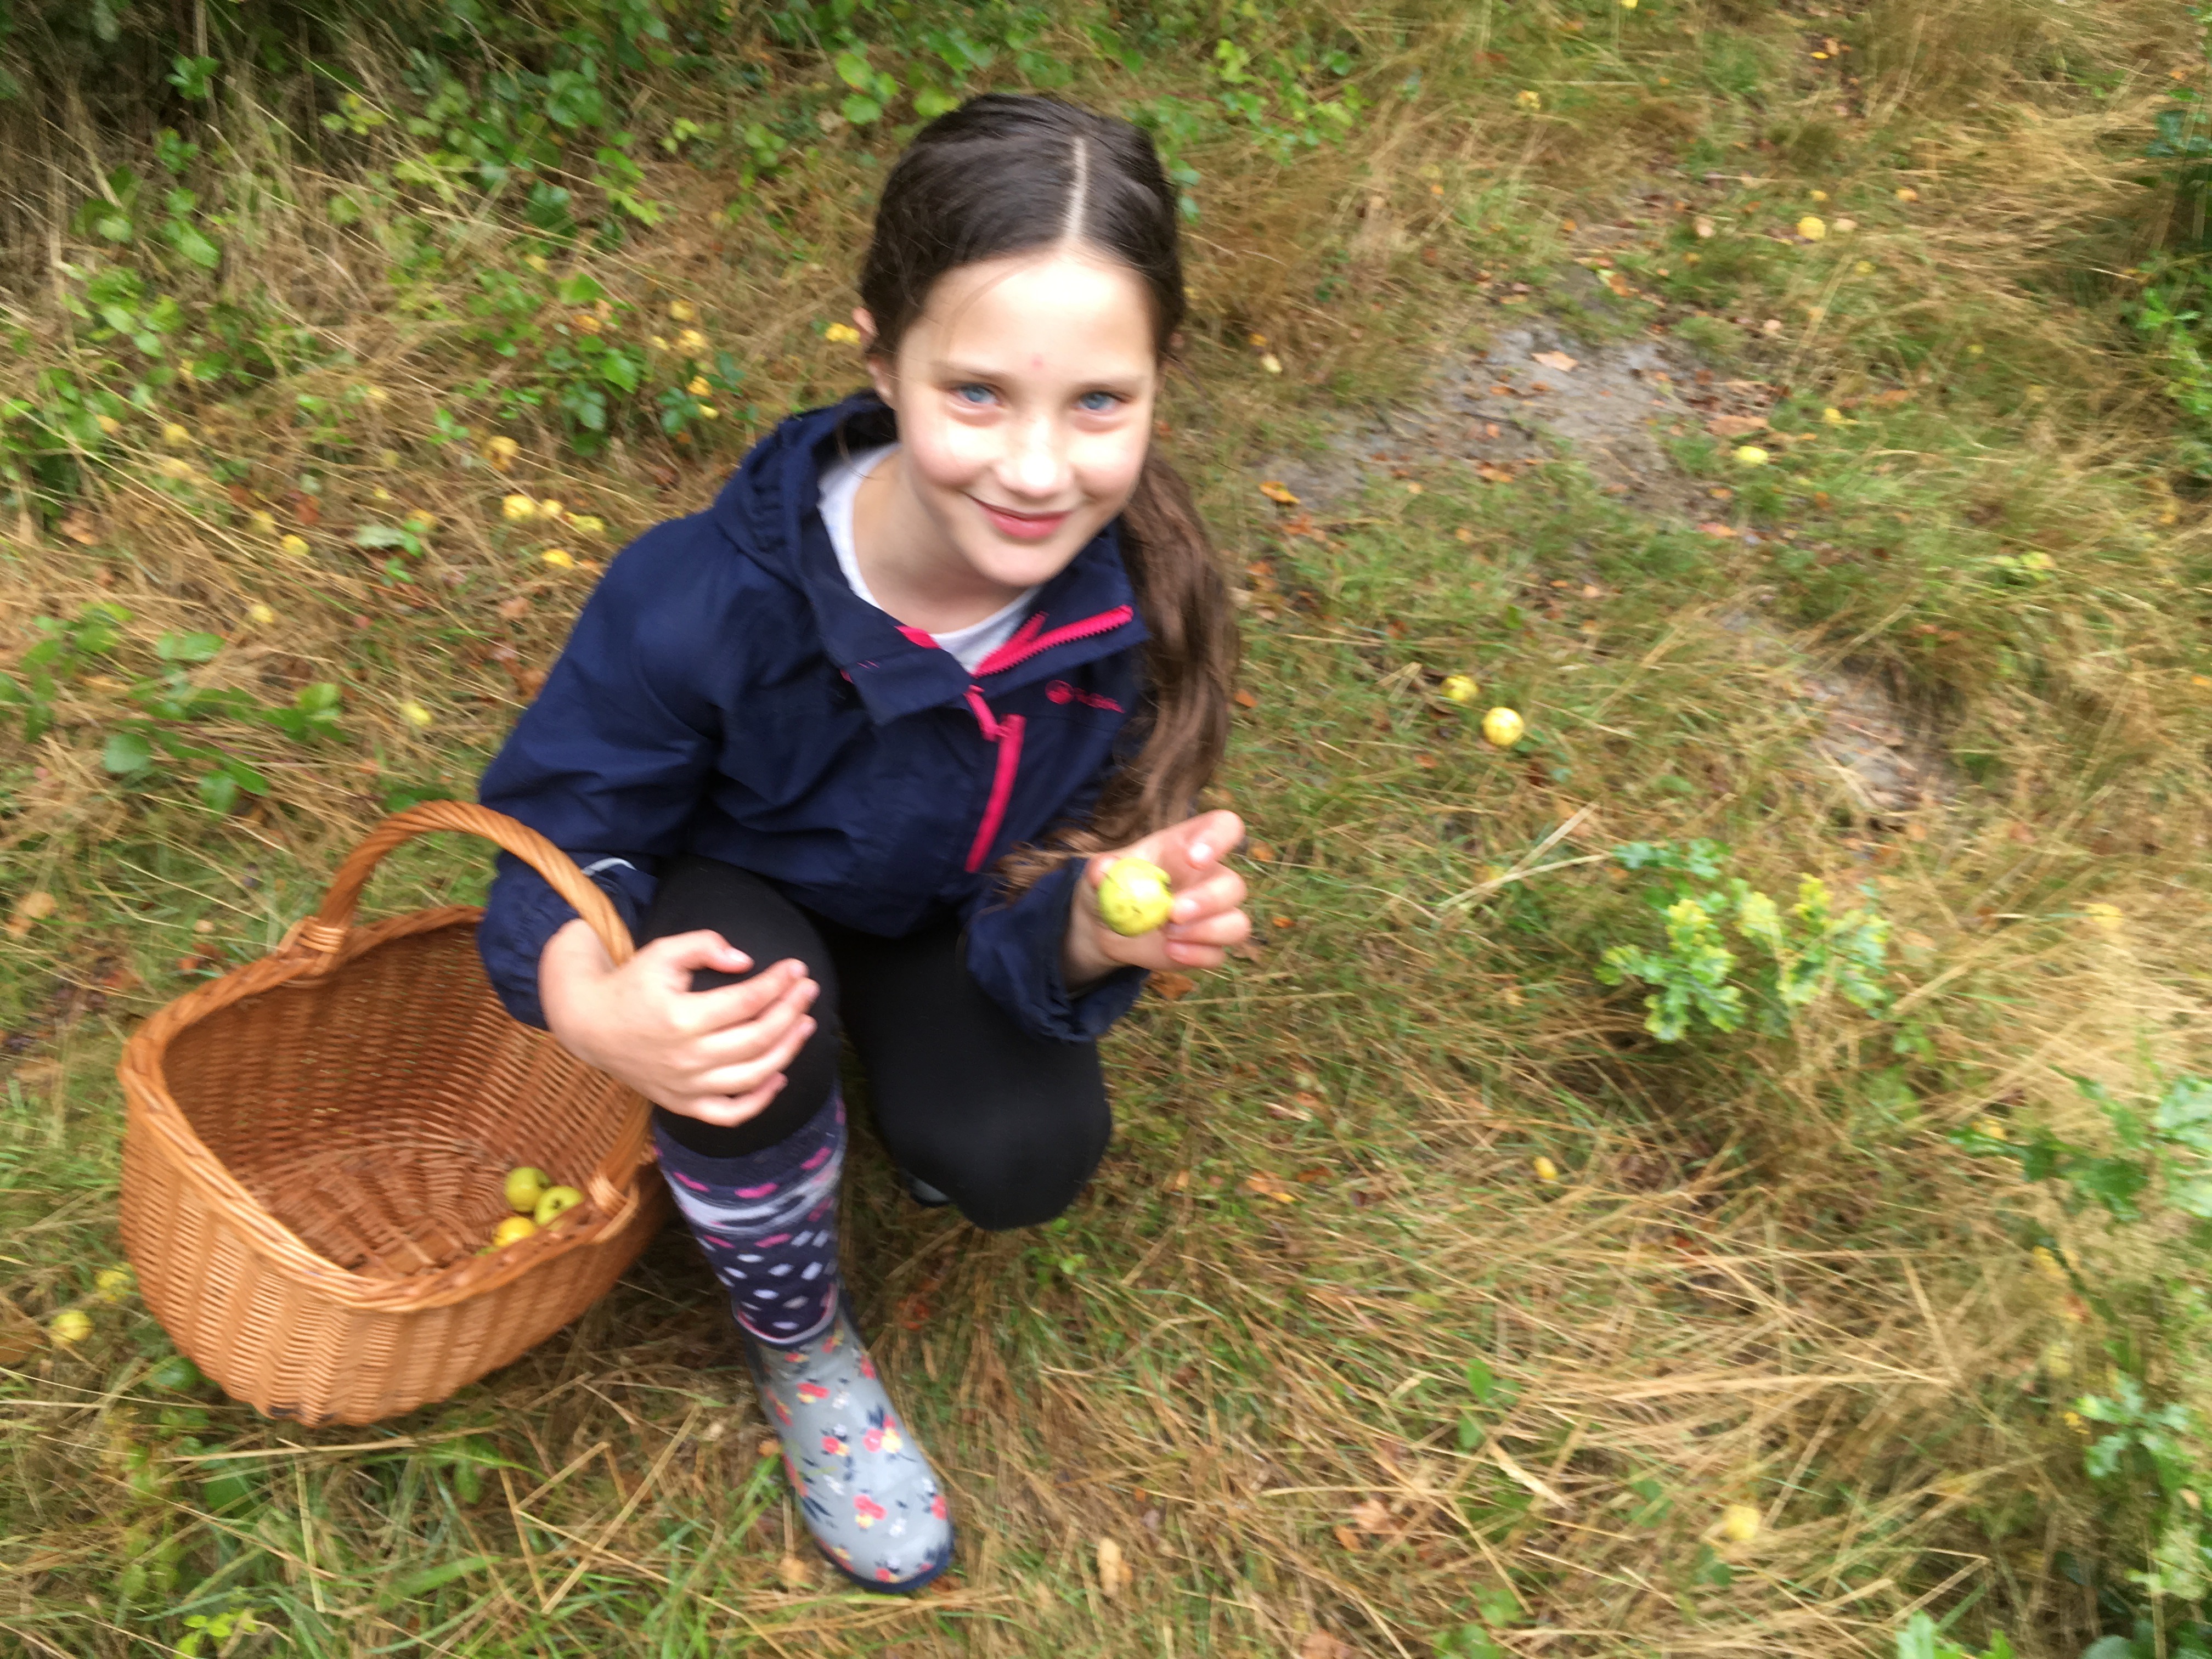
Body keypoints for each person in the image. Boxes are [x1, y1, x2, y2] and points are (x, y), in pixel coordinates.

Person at [472, 94, 1251, 1592]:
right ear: (880, 355)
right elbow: (554, 830)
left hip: (935, 912)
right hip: (732, 894)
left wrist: (1089, 931)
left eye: (1100, 403)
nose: (1037, 471)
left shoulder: (1124, 615)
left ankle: (886, 1099)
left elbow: (1049, 870)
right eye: (975, 395)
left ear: (1160, 382)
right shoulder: (698, 600)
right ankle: (804, 1341)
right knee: (741, 1032)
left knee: (1024, 1157)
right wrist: (585, 996)